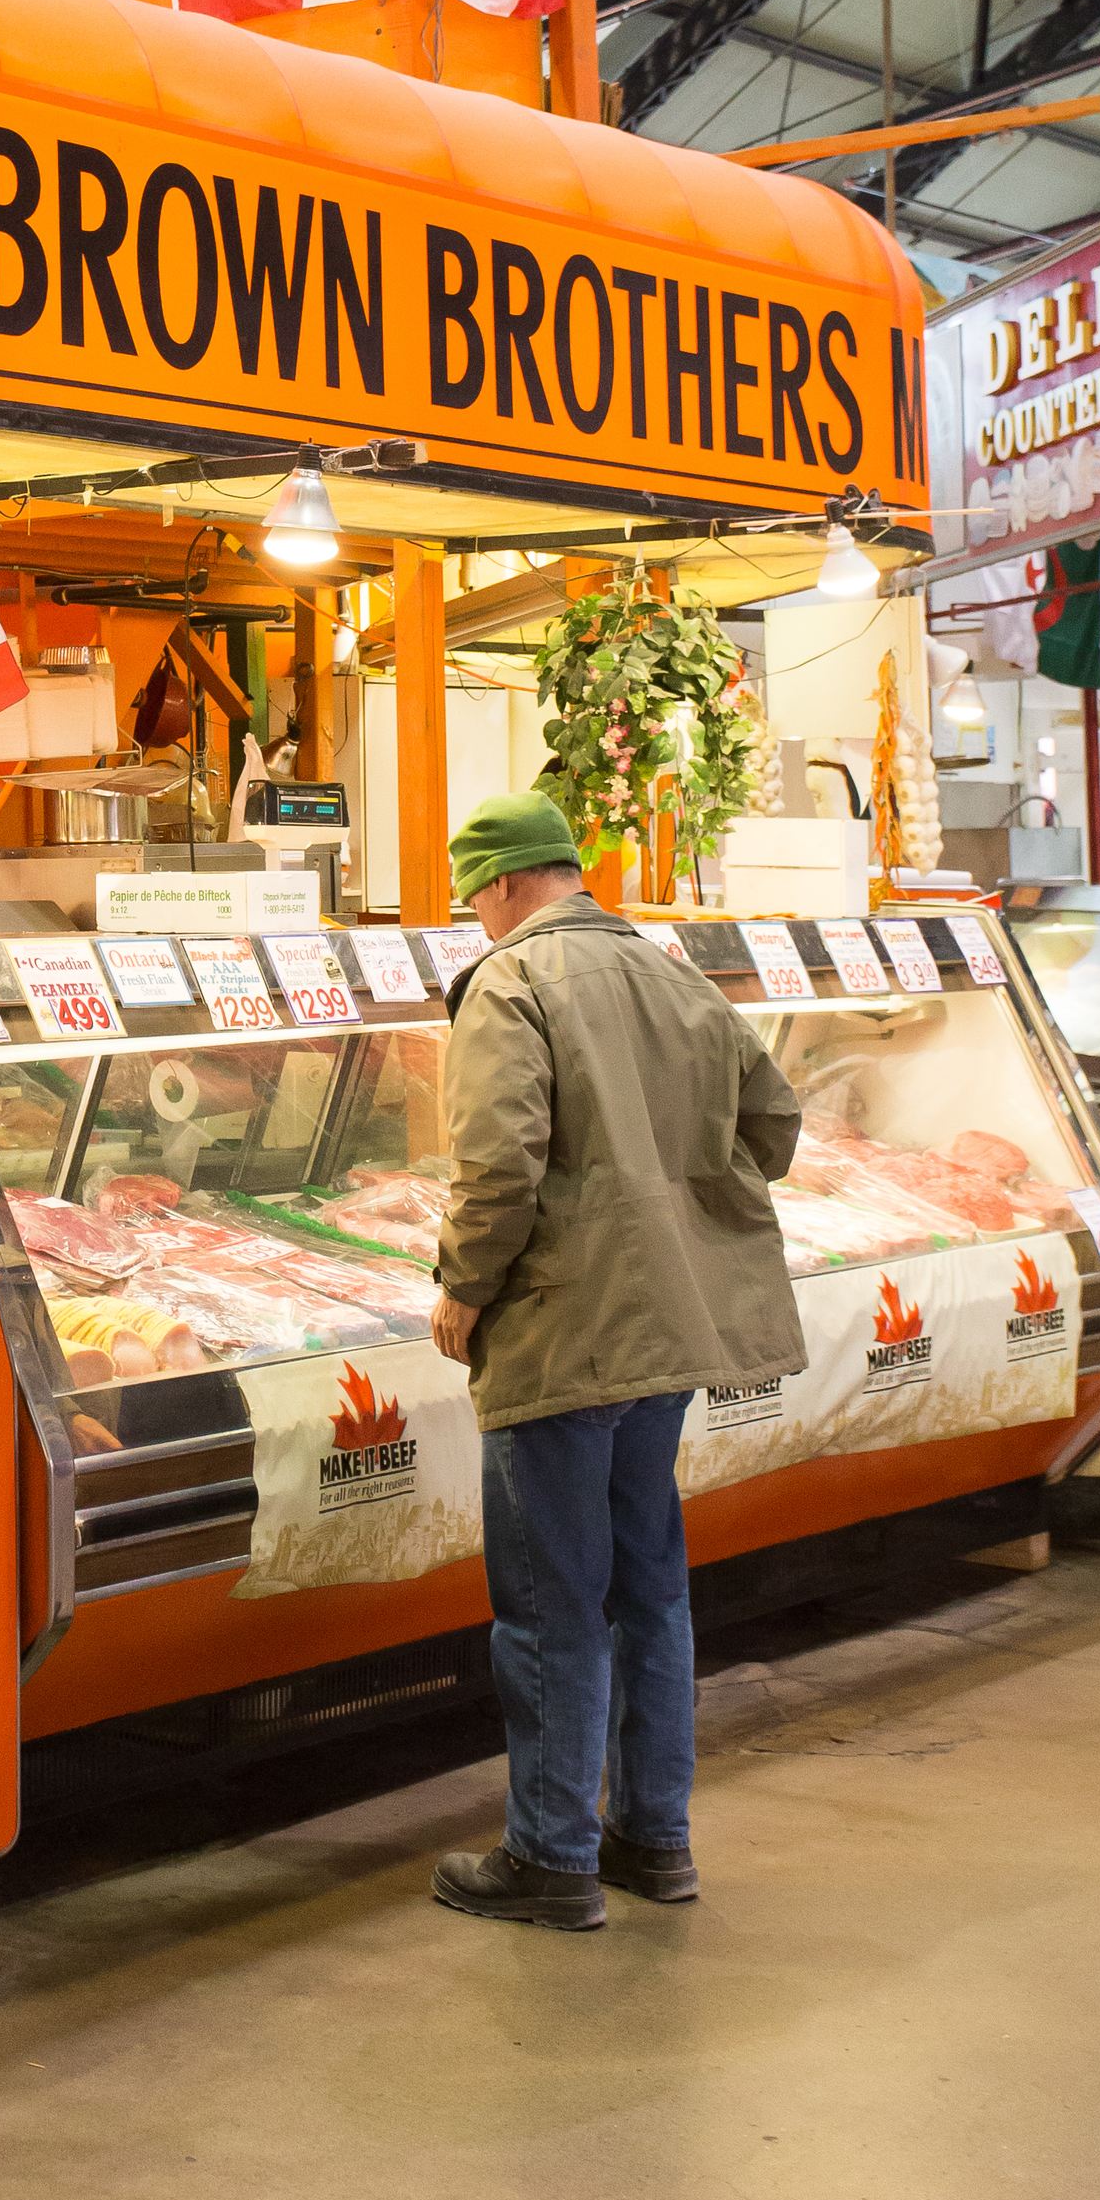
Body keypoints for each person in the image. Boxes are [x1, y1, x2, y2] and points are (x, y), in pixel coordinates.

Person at [428, 791, 805, 1932]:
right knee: (649, 1587)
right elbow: (774, 1129)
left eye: (474, 900)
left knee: (550, 1599)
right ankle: (654, 1837)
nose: (478, 921)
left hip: (562, 1332)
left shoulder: (511, 982)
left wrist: (463, 1284)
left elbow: (498, 1161)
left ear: (499, 886)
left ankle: (548, 1856)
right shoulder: (673, 971)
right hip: (666, 1332)